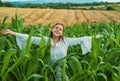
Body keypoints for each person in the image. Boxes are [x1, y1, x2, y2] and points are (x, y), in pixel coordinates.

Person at [0, 23, 102, 81]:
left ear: (62, 32)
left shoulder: (66, 41)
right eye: (56, 28)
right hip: (48, 68)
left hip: (61, 68)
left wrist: (94, 37)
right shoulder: (45, 40)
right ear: (52, 29)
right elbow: (28, 38)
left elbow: (81, 39)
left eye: (60, 29)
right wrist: (11, 32)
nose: (58, 30)